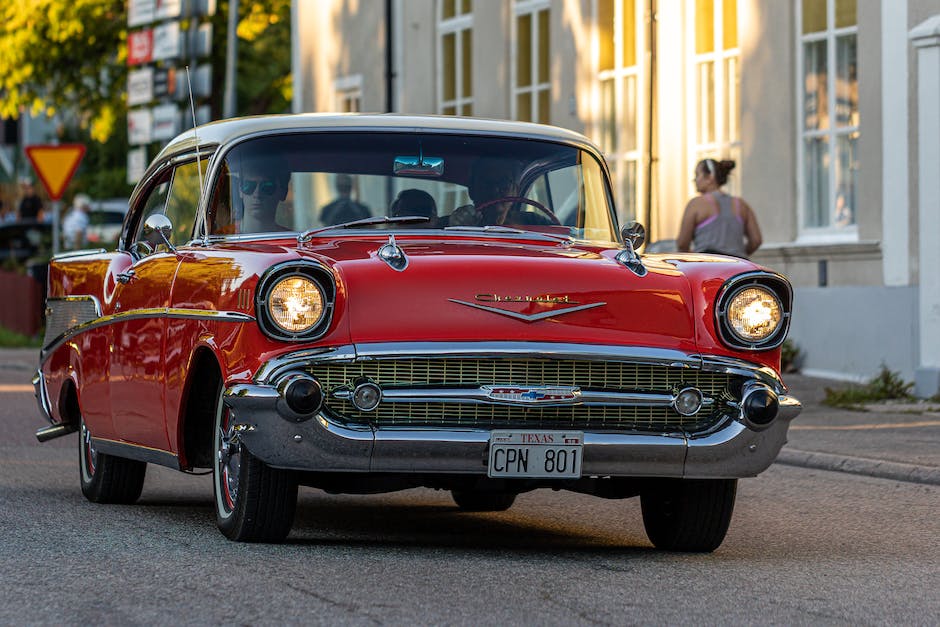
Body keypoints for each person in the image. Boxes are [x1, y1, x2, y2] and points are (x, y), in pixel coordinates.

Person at [676, 158, 762, 258]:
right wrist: (739, 255)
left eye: (697, 175)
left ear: (710, 177)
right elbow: (756, 240)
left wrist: (693, 258)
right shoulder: (742, 205)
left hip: (708, 265)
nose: (694, 180)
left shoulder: (696, 203)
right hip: (737, 266)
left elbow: (682, 243)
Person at [448, 157, 524, 226]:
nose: (494, 191)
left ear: (515, 192)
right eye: (486, 183)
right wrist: (458, 229)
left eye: (503, 183)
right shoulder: (447, 226)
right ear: (472, 189)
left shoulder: (531, 222)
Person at [235, 155, 291, 233]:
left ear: (283, 192)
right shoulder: (223, 238)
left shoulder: (295, 241)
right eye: (248, 186)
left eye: (267, 187)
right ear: (240, 190)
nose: (257, 194)